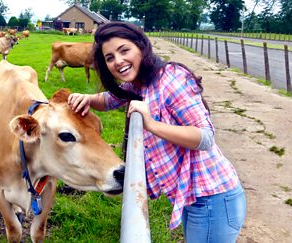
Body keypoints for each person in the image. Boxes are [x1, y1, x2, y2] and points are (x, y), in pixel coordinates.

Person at [68, 21, 246, 243]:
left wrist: (151, 124)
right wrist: (87, 99)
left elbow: (205, 137)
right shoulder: (139, 84)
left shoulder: (170, 77)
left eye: (124, 50)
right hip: (196, 197)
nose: (118, 61)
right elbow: (109, 100)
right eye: (110, 57)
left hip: (214, 197)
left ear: (141, 46)